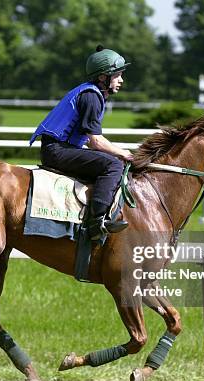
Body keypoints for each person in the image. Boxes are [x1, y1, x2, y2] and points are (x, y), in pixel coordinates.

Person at [29, 45, 133, 241]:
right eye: (117, 75)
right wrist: (123, 153)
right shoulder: (91, 97)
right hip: (58, 151)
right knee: (113, 164)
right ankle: (97, 222)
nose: (121, 80)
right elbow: (95, 142)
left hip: (59, 148)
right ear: (103, 77)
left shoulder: (90, 93)